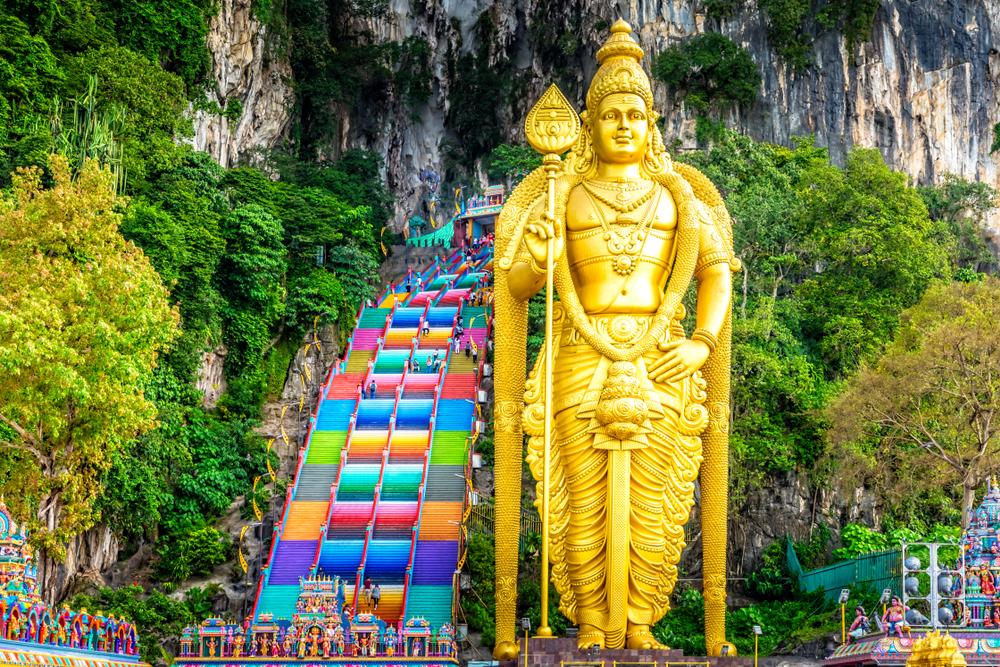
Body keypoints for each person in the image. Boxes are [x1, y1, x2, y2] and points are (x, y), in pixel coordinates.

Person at [491, 20, 738, 654]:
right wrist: (538, 258)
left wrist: (701, 343)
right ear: (589, 127)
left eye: (636, 113)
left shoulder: (677, 199)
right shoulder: (562, 195)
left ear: (652, 123)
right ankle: (591, 626)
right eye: (610, 115)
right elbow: (516, 287)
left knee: (654, 505)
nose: (623, 125)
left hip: (660, 356)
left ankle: (640, 622)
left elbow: (715, 273)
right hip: (578, 352)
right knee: (581, 500)